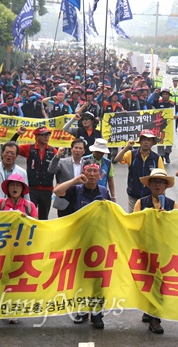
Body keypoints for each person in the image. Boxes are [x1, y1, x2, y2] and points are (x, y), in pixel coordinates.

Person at [53, 159, 110, 329]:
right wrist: (75, 180)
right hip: (79, 241)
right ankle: (82, 310)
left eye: (95, 171)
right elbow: (57, 191)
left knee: (98, 279)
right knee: (80, 277)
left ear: (100, 175)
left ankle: (97, 314)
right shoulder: (75, 190)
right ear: (83, 173)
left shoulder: (103, 191)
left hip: (99, 242)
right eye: (88, 171)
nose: (92, 174)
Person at [132, 168, 178, 335]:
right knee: (146, 281)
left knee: (159, 284)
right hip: (145, 248)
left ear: (166, 186)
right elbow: (134, 224)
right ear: (149, 184)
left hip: (164, 250)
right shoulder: (141, 203)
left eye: (161, 182)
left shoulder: (173, 205)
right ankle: (149, 309)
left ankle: (155, 319)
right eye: (155, 181)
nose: (158, 185)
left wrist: (168, 220)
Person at [11, 126, 58, 220]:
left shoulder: (53, 151)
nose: (46, 137)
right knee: (29, 215)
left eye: (48, 135)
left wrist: (58, 182)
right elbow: (11, 148)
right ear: (36, 137)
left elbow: (58, 168)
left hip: (47, 189)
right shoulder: (29, 148)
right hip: (31, 188)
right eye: (43, 135)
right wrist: (17, 134)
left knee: (44, 217)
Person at [114, 129, 165, 213]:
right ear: (140, 141)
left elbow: (162, 178)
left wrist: (162, 198)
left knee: (149, 221)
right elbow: (117, 159)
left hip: (150, 197)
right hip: (133, 196)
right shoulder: (131, 154)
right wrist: (126, 147)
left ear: (153, 143)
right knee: (133, 220)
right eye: (144, 139)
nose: (146, 142)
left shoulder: (156, 158)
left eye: (149, 140)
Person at [48, 138, 86, 217]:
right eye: (75, 148)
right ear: (71, 149)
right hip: (64, 199)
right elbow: (51, 170)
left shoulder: (87, 164)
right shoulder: (62, 162)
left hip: (81, 199)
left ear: (84, 151)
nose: (78, 150)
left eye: (80, 148)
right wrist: (57, 156)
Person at [82, 138, 116, 204]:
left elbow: (110, 180)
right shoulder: (84, 160)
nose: (99, 154)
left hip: (101, 193)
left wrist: (113, 197)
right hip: (85, 192)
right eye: (97, 151)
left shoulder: (108, 163)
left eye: (101, 152)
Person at [151, 88, 175, 163]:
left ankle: (167, 154)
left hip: (169, 125)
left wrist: (176, 115)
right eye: (163, 94)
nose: (165, 96)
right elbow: (149, 102)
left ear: (169, 95)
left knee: (169, 140)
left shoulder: (172, 103)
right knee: (160, 139)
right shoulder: (158, 102)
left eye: (166, 94)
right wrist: (155, 94)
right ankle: (161, 155)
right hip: (160, 125)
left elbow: (177, 111)